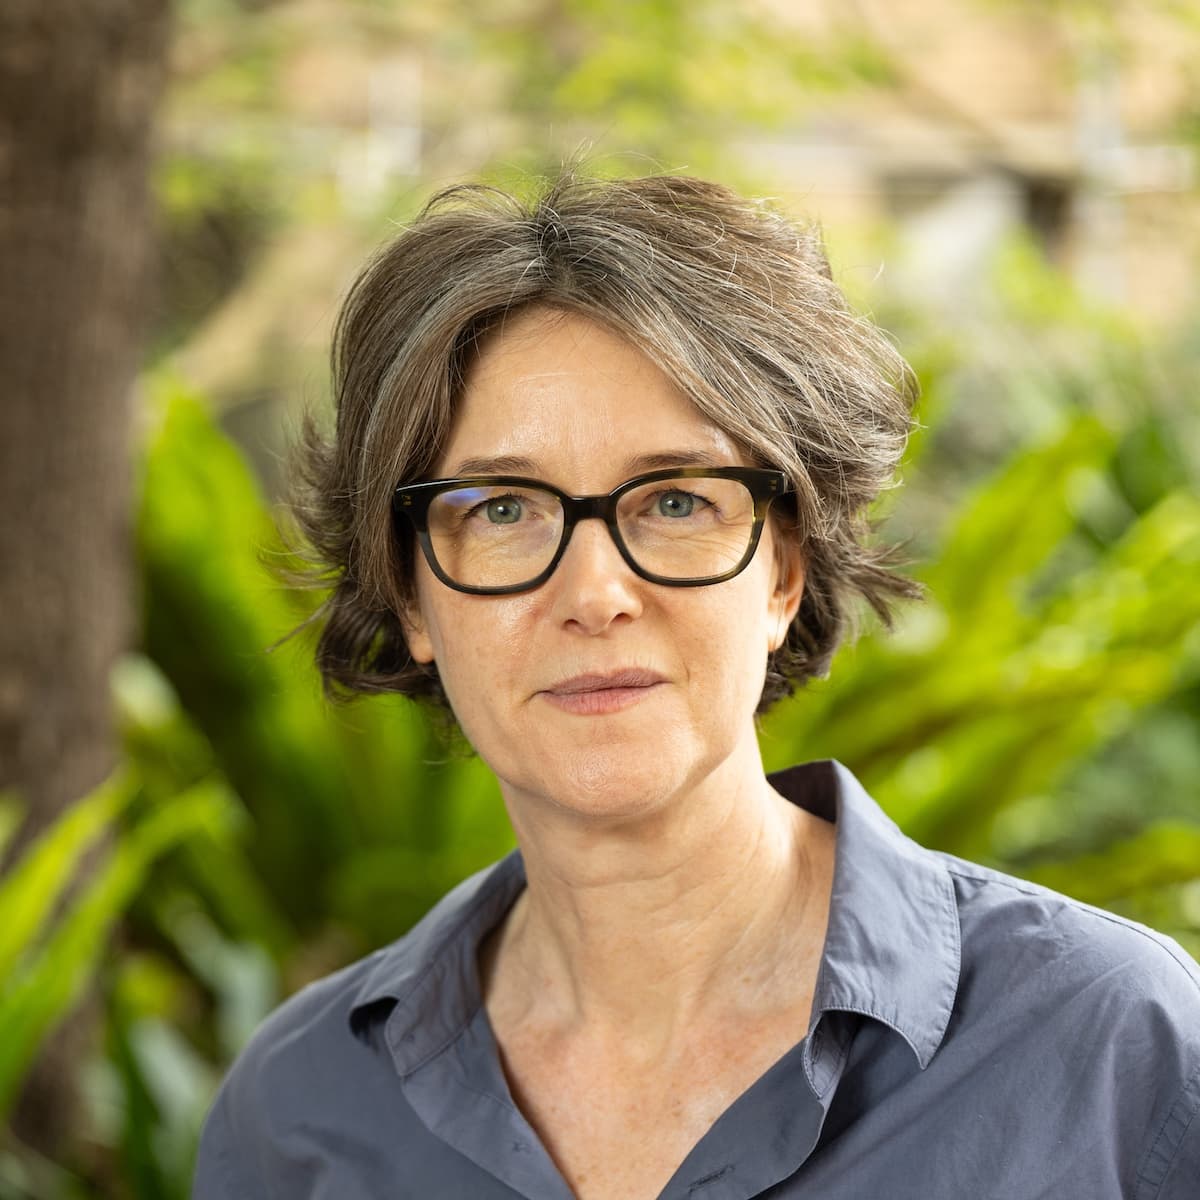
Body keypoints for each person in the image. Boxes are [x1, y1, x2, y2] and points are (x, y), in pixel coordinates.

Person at [193, 172, 1200, 1200]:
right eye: (501, 509)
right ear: (411, 596)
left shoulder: (1115, 1050)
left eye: (675, 500)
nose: (595, 595)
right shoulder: (296, 1112)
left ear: (785, 573)